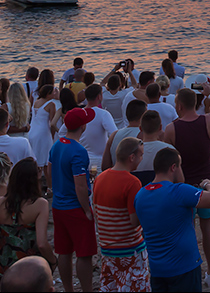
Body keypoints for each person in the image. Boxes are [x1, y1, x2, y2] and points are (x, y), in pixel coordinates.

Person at [163, 86, 210, 289]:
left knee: (186, 229)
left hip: (183, 185)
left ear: (178, 105)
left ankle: (189, 268)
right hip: (207, 183)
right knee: (208, 227)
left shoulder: (171, 129)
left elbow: (165, 160)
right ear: (195, 103)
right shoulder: (209, 120)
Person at [134, 147, 210, 292]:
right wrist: (208, 185)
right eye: (180, 166)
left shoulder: (140, 195)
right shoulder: (178, 191)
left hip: (157, 270)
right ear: (173, 167)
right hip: (185, 267)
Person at [91, 137, 150, 292]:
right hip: (130, 249)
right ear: (132, 157)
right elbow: (134, 220)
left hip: (107, 249)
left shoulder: (99, 178)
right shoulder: (132, 183)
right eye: (141, 155)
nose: (142, 158)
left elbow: (96, 212)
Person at [49, 108, 97, 293]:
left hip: (58, 205)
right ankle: (87, 289)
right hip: (75, 207)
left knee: (64, 251)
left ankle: (68, 289)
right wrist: (86, 209)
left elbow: (49, 170)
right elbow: (80, 186)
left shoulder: (57, 145)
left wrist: (55, 189)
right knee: (84, 253)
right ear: (83, 126)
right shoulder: (78, 151)